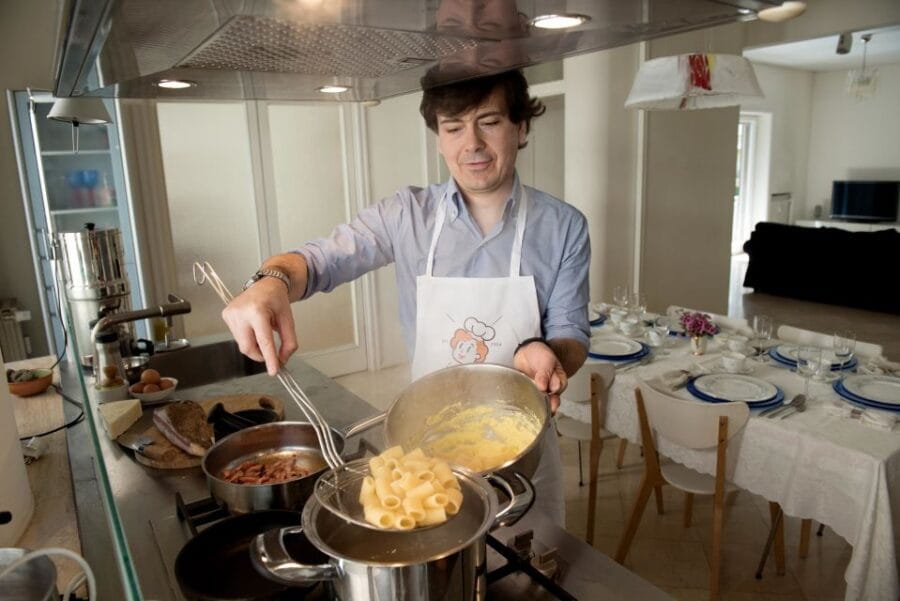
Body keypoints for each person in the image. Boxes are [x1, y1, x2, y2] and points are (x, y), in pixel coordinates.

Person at [222, 69, 590, 524]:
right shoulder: (406, 215)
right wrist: (271, 280)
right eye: (453, 127)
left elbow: (572, 335)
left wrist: (549, 354)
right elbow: (319, 262)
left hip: (525, 454)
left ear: (522, 127)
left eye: (489, 122)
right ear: (439, 137)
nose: (471, 143)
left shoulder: (564, 226)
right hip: (427, 447)